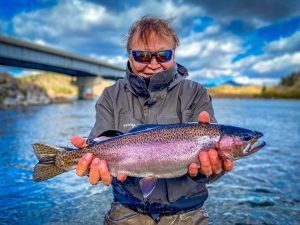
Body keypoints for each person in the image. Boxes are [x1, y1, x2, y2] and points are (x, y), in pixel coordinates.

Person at [71, 16, 234, 225]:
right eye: (142, 56)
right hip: (127, 210)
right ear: (129, 56)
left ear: (173, 55)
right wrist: (89, 159)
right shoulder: (111, 95)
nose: (154, 64)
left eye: (163, 55)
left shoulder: (196, 93)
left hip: (188, 213)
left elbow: (211, 169)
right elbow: (100, 142)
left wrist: (209, 170)